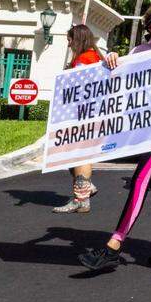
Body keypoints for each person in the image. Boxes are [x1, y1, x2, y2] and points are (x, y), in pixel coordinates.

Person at [78, 4, 151, 272]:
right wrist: (112, 60)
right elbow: (120, 84)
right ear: (150, 28)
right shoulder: (138, 53)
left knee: (142, 178)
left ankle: (114, 244)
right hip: (144, 126)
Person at [52, 24, 104, 214]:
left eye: (70, 40)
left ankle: (81, 198)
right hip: (88, 114)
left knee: (77, 155)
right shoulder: (94, 56)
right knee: (70, 154)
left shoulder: (85, 59)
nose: (69, 45)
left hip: (82, 115)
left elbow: (78, 87)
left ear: (78, 39)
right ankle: (85, 189)